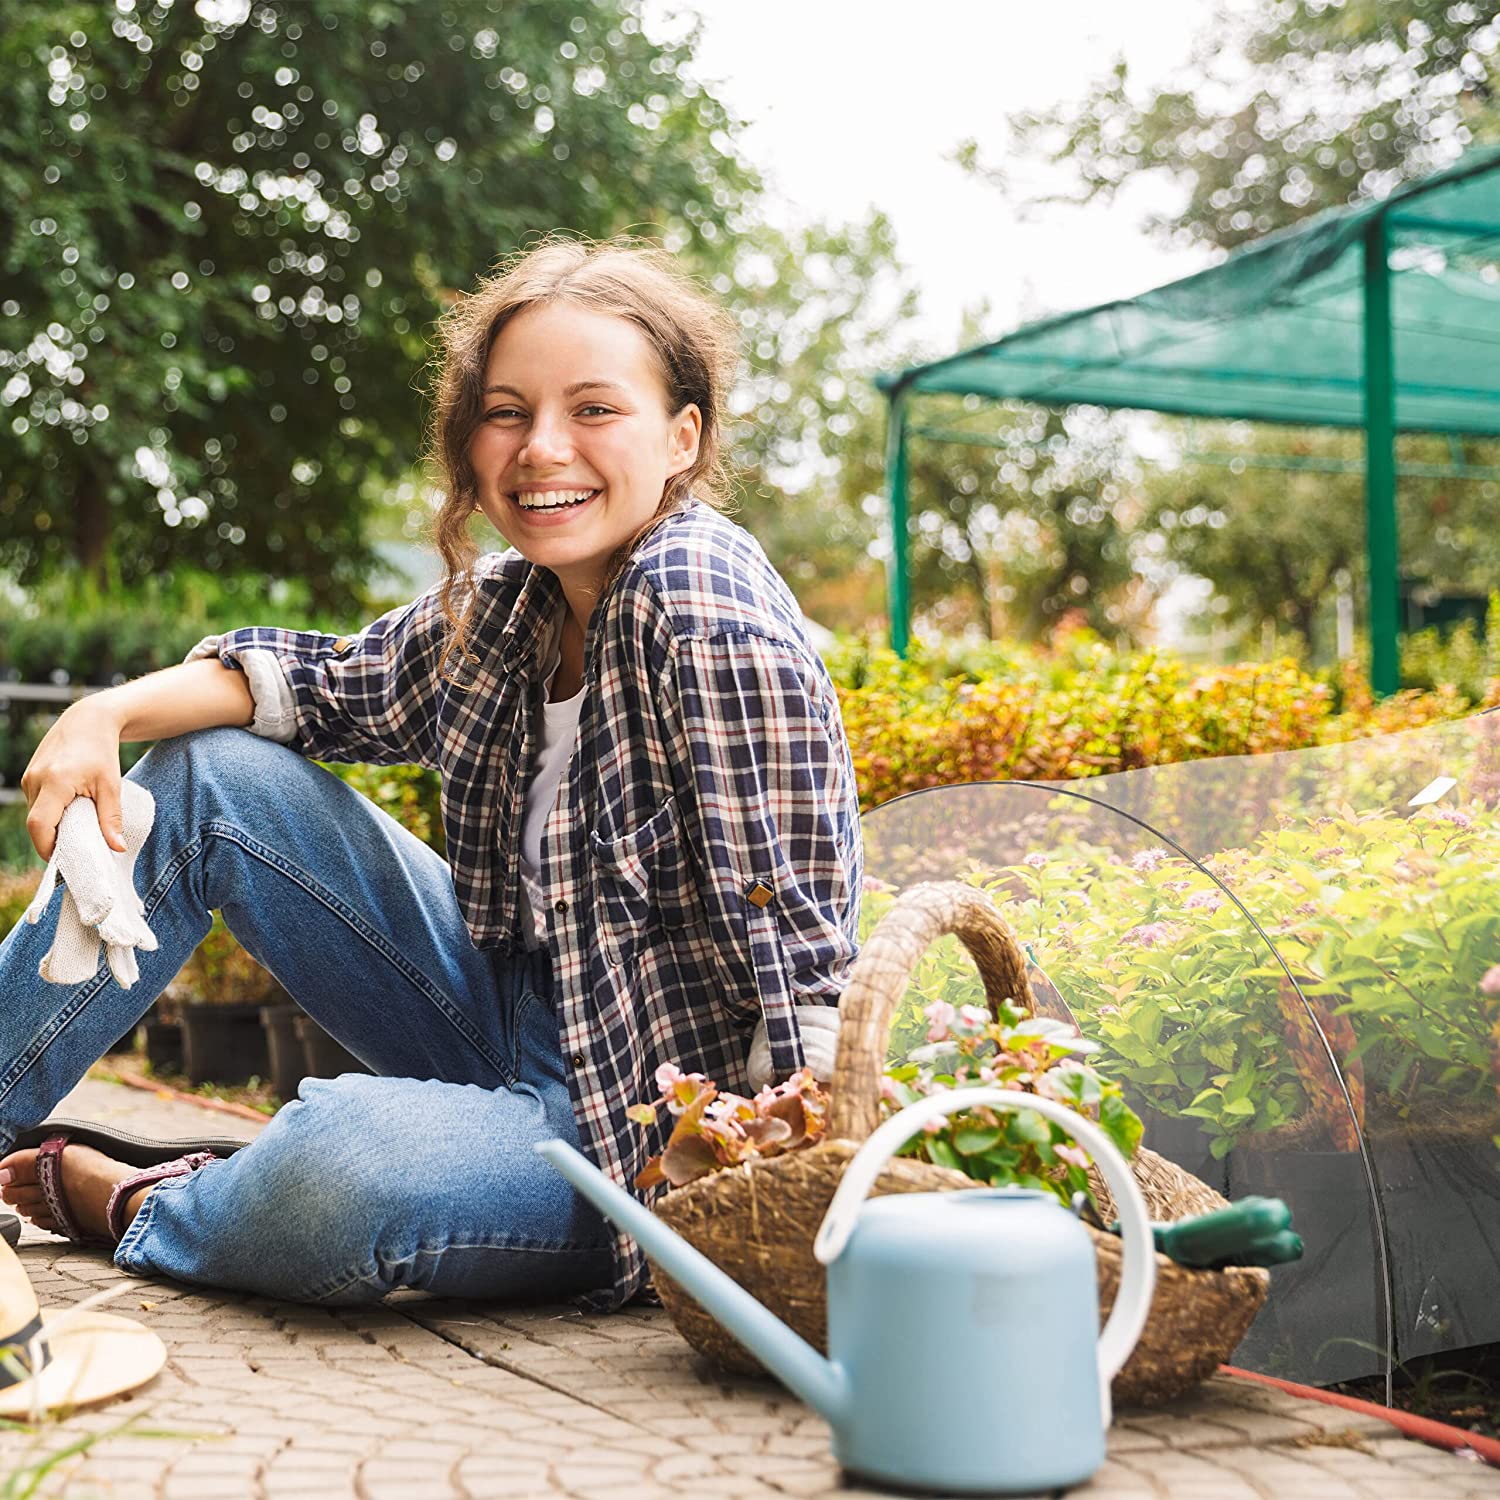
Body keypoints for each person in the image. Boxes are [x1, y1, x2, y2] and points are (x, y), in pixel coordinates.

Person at [0, 238, 862, 1310]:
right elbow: (307, 684)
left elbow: (801, 954)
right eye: (507, 412)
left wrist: (797, 1202)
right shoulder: (509, 608)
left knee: (348, 1169)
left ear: (682, 437)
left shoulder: (702, 605)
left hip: (641, 1135)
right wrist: (101, 715)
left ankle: (128, 1199)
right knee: (216, 776)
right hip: (507, 1013)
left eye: (595, 409)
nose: (543, 447)